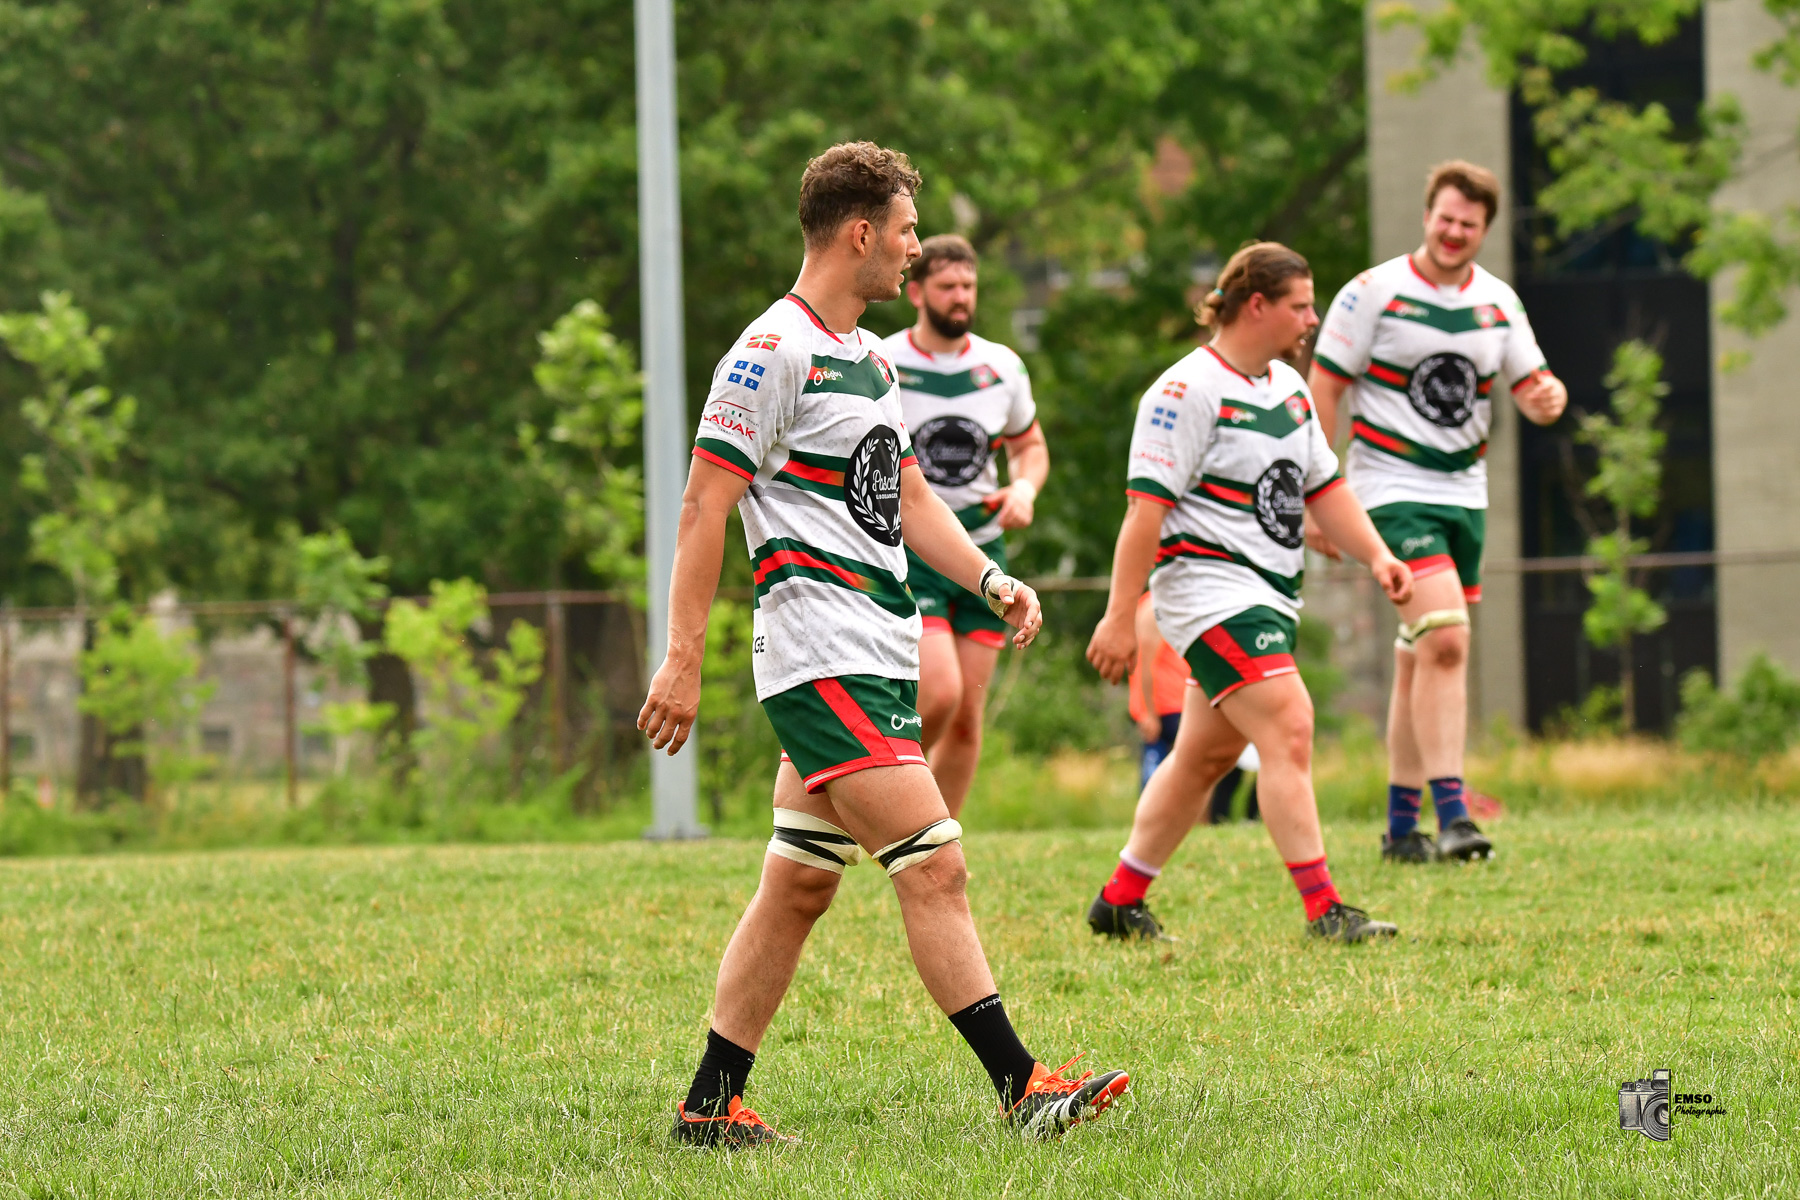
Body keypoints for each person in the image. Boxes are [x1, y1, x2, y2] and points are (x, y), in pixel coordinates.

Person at [639, 142, 1128, 1149]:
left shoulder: (865, 354)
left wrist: (987, 579)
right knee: (935, 866)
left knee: (802, 881)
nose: (915, 250)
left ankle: (709, 1104)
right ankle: (1024, 1089)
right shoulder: (770, 351)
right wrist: (682, 656)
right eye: (907, 231)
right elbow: (703, 504)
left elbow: (901, 493)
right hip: (820, 658)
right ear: (859, 232)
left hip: (874, 647)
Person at [1083, 242, 1413, 944]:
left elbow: (1325, 490)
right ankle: (1326, 912)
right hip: (1207, 591)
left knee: (1205, 756)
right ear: (1256, 304)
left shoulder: (1288, 391)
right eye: (1300, 305)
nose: (1312, 319)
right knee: (1290, 722)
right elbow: (1143, 514)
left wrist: (1378, 555)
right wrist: (1118, 616)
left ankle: (1119, 901)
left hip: (1267, 593)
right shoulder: (1184, 392)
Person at [1307, 161, 1568, 864]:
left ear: (1485, 230)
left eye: (1470, 224)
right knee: (1448, 638)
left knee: (1424, 650)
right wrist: (1316, 497)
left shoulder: (1498, 301)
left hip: (1465, 495)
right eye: (1445, 218)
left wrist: (1550, 399)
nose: (1455, 233)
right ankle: (1454, 813)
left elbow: (1533, 382)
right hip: (1388, 491)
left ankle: (1401, 829)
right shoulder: (1372, 294)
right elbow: (1322, 393)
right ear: (1427, 215)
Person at [880, 235, 1049, 817]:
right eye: (948, 287)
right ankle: (865, 794)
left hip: (985, 548)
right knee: (942, 693)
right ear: (918, 291)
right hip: (914, 549)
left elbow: (1031, 447)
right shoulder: (884, 360)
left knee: (968, 719)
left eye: (969, 287)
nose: (961, 298)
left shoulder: (1002, 366)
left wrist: (1024, 488)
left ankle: (932, 847)